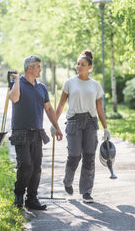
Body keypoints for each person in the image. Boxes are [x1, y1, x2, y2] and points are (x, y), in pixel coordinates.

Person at [52, 49, 110, 203]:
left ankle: (86, 191)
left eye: (82, 64)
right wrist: (54, 123)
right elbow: (61, 104)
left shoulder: (95, 85)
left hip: (91, 122)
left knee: (89, 157)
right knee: (74, 156)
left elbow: (99, 108)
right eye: (78, 64)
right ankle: (68, 181)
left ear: (90, 67)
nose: (78, 66)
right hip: (74, 122)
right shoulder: (69, 83)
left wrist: (106, 128)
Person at [9, 55, 63, 210]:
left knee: (36, 167)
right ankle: (19, 193)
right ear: (30, 68)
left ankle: (32, 198)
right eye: (38, 66)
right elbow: (13, 98)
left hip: (37, 132)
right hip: (21, 131)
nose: (41, 69)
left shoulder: (42, 87)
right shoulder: (17, 83)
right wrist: (17, 80)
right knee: (26, 165)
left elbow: (49, 109)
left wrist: (57, 127)